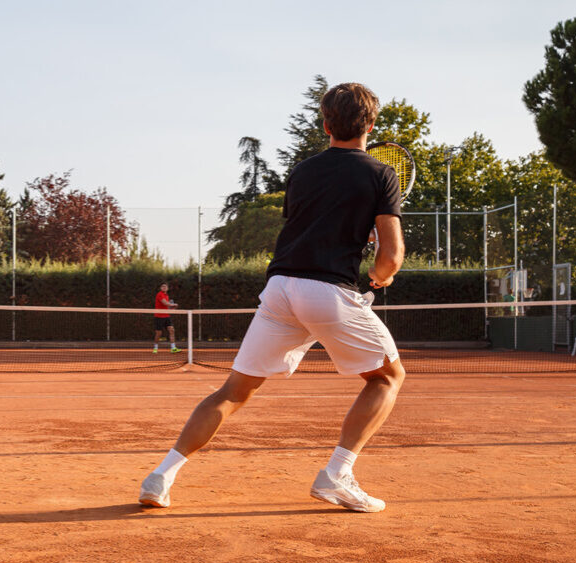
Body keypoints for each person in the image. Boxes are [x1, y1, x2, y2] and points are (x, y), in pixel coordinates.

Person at [139, 82, 405, 513]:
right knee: (388, 378)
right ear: (371, 125)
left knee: (233, 390)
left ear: (325, 125)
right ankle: (337, 473)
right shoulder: (381, 173)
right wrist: (378, 277)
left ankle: (161, 476)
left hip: (280, 289)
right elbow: (390, 259)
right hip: (327, 290)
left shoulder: (302, 172)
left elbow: (314, 225)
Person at [153, 283, 180, 353]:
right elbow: (165, 303)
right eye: (162, 286)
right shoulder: (159, 294)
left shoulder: (166, 296)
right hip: (159, 316)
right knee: (159, 333)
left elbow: (167, 307)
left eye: (165, 286)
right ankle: (155, 348)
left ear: (167, 288)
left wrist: (172, 309)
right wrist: (174, 304)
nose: (164, 287)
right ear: (160, 288)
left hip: (167, 316)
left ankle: (173, 348)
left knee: (171, 330)